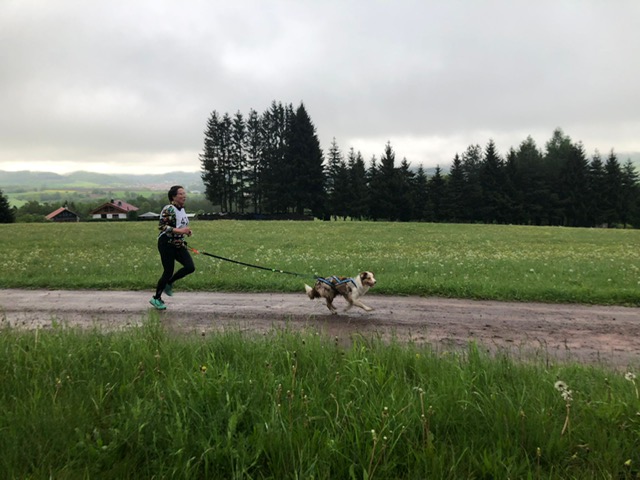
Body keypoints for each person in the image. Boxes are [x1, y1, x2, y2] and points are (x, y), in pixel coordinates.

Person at [149, 185, 195, 310]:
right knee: (168, 271)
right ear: (173, 197)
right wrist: (181, 231)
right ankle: (156, 298)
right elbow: (162, 227)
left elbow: (181, 227)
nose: (184, 196)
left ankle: (169, 283)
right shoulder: (169, 209)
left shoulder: (182, 210)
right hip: (166, 244)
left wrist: (186, 233)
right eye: (180, 194)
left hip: (178, 244)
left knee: (190, 267)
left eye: (184, 193)